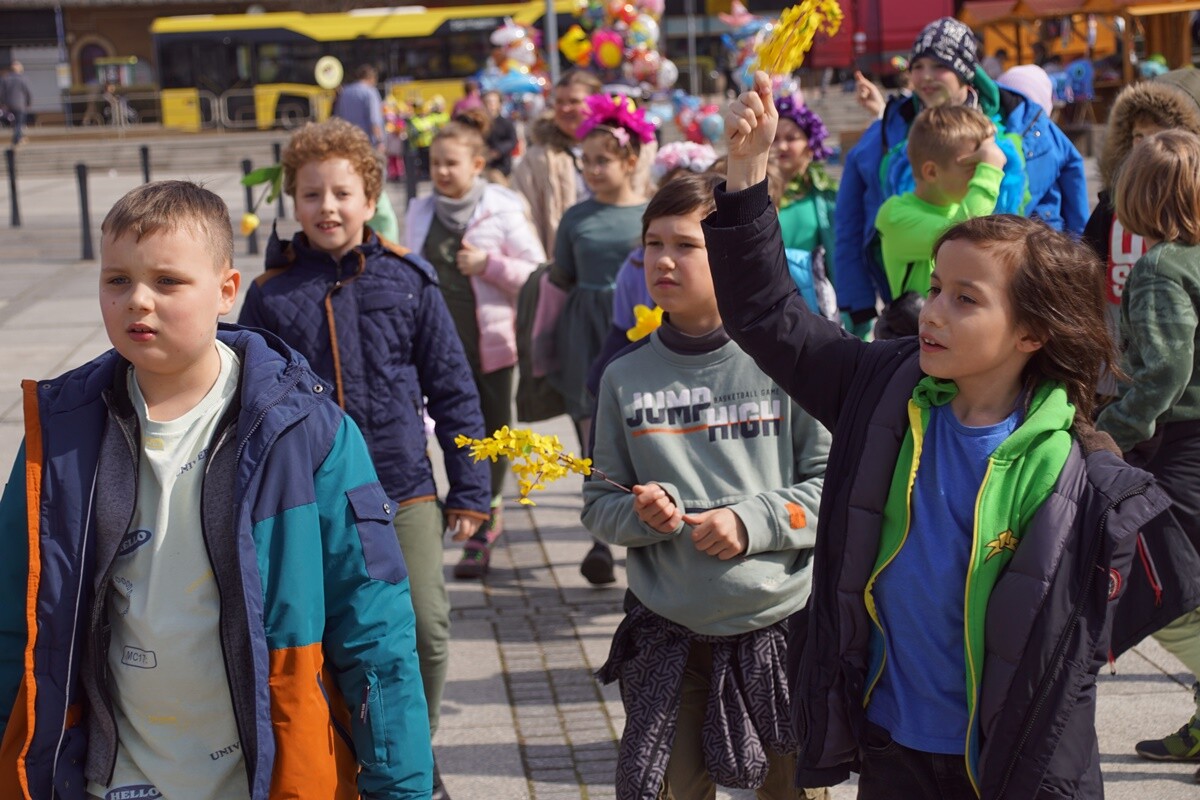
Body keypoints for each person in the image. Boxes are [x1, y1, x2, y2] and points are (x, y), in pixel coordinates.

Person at [707, 71, 1170, 798]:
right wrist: (745, 172)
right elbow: (769, 317)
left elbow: (1086, 647)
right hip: (890, 748)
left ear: (1031, 332)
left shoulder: (1086, 477)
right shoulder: (880, 391)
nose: (931, 310)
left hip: (1014, 769)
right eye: (932, 286)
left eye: (965, 299)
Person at [0, 181, 433, 799]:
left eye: (168, 282)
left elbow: (374, 627)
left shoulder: (306, 432)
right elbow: (14, 621)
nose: (137, 302)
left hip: (267, 777)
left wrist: (401, 786)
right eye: (117, 280)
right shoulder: (60, 434)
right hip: (110, 779)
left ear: (227, 290)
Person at [238, 118, 490, 800]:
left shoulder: (410, 280)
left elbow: (455, 388)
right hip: (309, 502)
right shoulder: (271, 293)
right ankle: (351, 760)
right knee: (329, 645)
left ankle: (413, 749)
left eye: (343, 193)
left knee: (427, 636)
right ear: (293, 201)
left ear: (369, 194)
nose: (328, 207)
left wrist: (470, 488)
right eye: (312, 193)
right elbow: (246, 401)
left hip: (403, 490)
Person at [583, 170, 831, 799]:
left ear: (727, 254)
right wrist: (642, 516)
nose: (663, 260)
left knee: (793, 788)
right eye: (653, 244)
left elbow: (832, 486)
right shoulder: (624, 377)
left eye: (686, 245)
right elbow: (599, 506)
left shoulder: (788, 362)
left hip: (781, 627)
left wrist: (754, 522)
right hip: (669, 632)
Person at [835, 16, 1087, 337]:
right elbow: (849, 220)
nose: (925, 77)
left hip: (1016, 295)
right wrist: (857, 302)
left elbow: (1070, 191)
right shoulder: (889, 129)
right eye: (918, 66)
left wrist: (1070, 280)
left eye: (939, 66)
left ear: (964, 71)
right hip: (920, 307)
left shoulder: (1020, 121)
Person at [1097, 130, 1200, 774]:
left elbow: (1163, 369)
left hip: (1181, 444)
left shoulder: (1162, 266)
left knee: (1168, 593)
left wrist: (1113, 429)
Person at [405, 119, 545, 579]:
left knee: (492, 433)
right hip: (432, 348)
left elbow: (535, 273)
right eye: (435, 163)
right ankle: (446, 506)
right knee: (433, 428)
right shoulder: (420, 210)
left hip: (491, 346)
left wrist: (488, 265)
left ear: (478, 165)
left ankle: (486, 516)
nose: (441, 172)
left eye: (451, 163)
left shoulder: (502, 210)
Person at [551, 94, 652, 585]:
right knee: (591, 437)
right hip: (588, 331)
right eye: (585, 161)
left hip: (643, 329)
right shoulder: (575, 217)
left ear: (630, 161)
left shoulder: (653, 213)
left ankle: (644, 538)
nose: (592, 169)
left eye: (603, 160)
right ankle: (598, 539)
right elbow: (562, 276)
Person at [1082, 69, 1200, 398]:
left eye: (1163, 136)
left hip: (1187, 388)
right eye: (1138, 137)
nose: (1147, 148)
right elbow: (1087, 275)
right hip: (1120, 373)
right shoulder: (1110, 207)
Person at [874, 105, 1006, 308]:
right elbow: (963, 238)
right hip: (918, 336)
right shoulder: (895, 215)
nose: (980, 174)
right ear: (932, 173)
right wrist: (990, 171)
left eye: (982, 167)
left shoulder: (961, 209)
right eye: (974, 166)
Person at [511, 69, 603, 256]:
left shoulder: (619, 149)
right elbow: (523, 216)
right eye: (559, 102)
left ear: (595, 104)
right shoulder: (538, 158)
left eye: (574, 102)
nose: (564, 109)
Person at [773, 94, 838, 321]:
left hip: (815, 312)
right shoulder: (752, 194)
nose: (781, 146)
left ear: (810, 144)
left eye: (791, 138)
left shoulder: (827, 195)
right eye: (774, 138)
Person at [333, 64, 385, 150]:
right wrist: (379, 141)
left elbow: (338, 117)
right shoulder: (370, 92)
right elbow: (374, 119)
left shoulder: (345, 92)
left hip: (349, 141)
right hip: (367, 142)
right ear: (372, 78)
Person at [483, 89, 518, 178]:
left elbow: (512, 141)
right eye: (487, 102)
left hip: (502, 166)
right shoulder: (480, 124)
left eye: (493, 102)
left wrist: (498, 151)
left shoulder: (506, 123)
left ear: (499, 104)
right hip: (484, 165)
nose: (490, 105)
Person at [0, 61, 33, 146]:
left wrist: (3, 103)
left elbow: (2, 92)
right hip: (20, 104)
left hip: (9, 104)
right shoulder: (23, 79)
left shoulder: (5, 78)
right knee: (19, 122)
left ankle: (18, 138)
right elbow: (28, 92)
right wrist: (29, 102)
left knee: (14, 122)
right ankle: (16, 139)